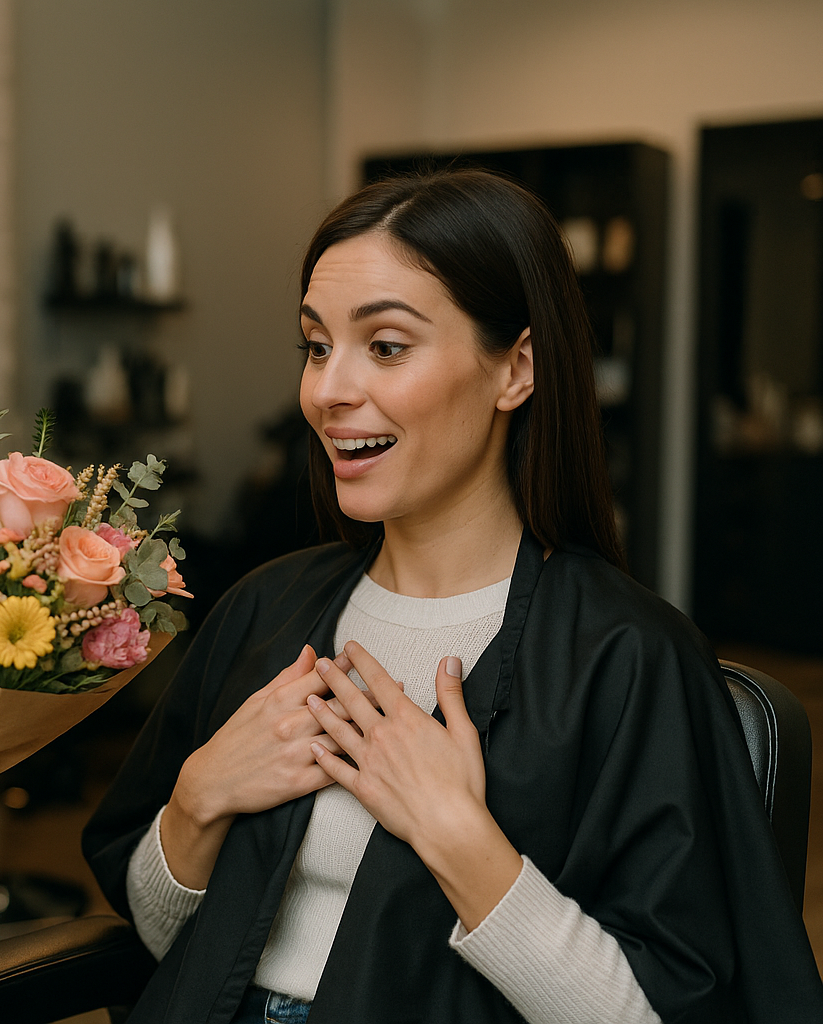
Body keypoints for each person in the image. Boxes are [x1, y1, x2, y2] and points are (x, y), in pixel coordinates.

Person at [83, 169, 823, 1024]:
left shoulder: (626, 659)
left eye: (386, 346)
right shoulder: (264, 611)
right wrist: (198, 797)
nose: (327, 390)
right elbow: (157, 939)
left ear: (516, 368)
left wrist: (459, 838)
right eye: (316, 346)